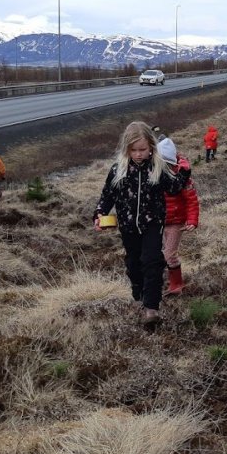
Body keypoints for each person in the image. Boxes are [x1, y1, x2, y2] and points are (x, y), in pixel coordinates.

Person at [94, 121, 190, 323]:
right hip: (128, 227)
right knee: (134, 264)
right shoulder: (117, 170)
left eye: (142, 150)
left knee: (152, 262)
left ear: (151, 148)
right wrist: (99, 213)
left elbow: (174, 187)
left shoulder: (158, 168)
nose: (138, 154)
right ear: (126, 149)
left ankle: (151, 309)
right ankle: (138, 293)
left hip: (152, 224)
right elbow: (107, 196)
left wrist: (184, 172)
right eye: (133, 150)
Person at [157, 138, 199, 296]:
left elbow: (192, 201)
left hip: (176, 222)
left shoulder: (183, 179)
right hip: (159, 221)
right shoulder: (155, 175)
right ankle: (172, 282)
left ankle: (176, 283)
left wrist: (192, 221)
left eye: (166, 164)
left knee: (168, 254)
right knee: (161, 253)